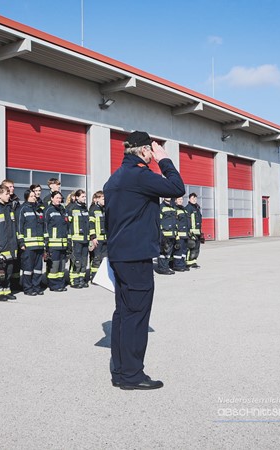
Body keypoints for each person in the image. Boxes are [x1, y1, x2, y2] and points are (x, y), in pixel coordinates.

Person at [103, 131, 185, 390]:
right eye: (152, 150)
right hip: (135, 256)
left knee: (124, 313)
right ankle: (132, 375)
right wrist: (165, 161)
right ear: (143, 151)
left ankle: (120, 370)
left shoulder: (115, 178)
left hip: (119, 255)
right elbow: (176, 188)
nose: (154, 153)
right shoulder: (139, 175)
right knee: (137, 315)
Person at [0, 184, 19, 300]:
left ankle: (7, 290)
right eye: (6, 194)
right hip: (0, 245)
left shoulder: (9, 207)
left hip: (11, 245)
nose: (9, 196)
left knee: (9, 270)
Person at [17, 185, 46, 295]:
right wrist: (21, 242)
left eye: (35, 196)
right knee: (28, 269)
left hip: (39, 245)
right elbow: (19, 227)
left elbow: (43, 227)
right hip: (28, 245)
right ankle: (28, 288)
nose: (34, 197)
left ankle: (36, 287)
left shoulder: (39, 210)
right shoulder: (22, 209)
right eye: (32, 196)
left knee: (38, 269)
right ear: (27, 197)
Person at [43, 191, 68, 292]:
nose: (59, 200)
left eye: (60, 198)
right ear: (52, 199)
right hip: (53, 244)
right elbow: (44, 227)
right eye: (57, 198)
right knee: (54, 265)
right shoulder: (48, 210)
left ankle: (60, 283)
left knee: (62, 265)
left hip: (63, 244)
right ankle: (53, 285)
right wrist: (46, 242)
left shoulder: (63, 210)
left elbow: (67, 226)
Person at [67, 189, 91, 288]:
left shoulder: (85, 209)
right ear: (76, 197)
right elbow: (68, 224)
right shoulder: (71, 208)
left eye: (85, 197)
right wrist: (69, 238)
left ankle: (81, 279)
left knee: (84, 260)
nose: (84, 199)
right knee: (76, 260)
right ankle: (74, 280)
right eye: (82, 197)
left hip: (85, 239)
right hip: (76, 239)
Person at [88, 190, 107, 280]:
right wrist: (93, 237)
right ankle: (95, 277)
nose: (105, 200)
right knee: (96, 259)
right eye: (103, 198)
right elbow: (91, 224)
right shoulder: (93, 209)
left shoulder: (105, 209)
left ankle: (102, 277)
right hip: (97, 239)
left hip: (105, 238)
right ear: (97, 199)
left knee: (104, 259)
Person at [155, 197, 177, 275]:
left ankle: (166, 267)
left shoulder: (173, 207)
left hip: (172, 234)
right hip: (164, 234)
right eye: (166, 196)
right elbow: (158, 221)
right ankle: (162, 268)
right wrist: (161, 233)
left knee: (168, 252)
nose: (168, 197)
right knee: (163, 252)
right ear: (164, 197)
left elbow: (175, 221)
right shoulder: (161, 207)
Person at [185, 192, 203, 269]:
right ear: (189, 199)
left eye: (195, 198)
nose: (194, 200)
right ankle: (188, 262)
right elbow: (187, 221)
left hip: (198, 232)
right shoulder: (188, 208)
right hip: (191, 232)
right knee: (191, 247)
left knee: (197, 248)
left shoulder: (197, 208)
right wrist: (189, 232)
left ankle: (193, 261)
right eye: (193, 198)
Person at [172, 196, 189, 272]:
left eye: (181, 199)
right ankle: (177, 265)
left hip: (185, 234)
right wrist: (176, 234)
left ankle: (182, 264)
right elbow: (174, 222)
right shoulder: (175, 209)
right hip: (179, 234)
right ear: (175, 200)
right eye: (179, 199)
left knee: (184, 251)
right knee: (178, 251)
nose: (180, 201)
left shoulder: (184, 209)